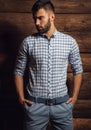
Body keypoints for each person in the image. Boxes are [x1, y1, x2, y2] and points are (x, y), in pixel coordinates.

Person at [14, 0, 83, 130]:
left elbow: (78, 70)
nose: (36, 23)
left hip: (62, 106)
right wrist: (21, 98)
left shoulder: (70, 42)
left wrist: (74, 98)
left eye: (40, 18)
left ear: (52, 17)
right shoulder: (28, 43)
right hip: (35, 107)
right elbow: (18, 71)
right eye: (35, 19)